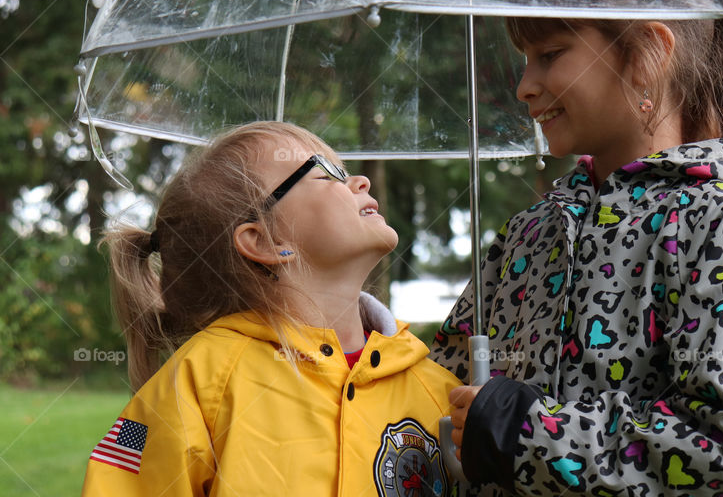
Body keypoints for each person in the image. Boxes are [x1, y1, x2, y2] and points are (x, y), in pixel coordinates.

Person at [432, 0, 723, 495]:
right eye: (525, 60)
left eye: (550, 54)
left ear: (647, 53)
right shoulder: (530, 234)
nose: (525, 86)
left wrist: (529, 434)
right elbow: (444, 387)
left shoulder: (719, 224)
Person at [82, 121, 460, 497]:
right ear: (264, 240)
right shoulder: (193, 380)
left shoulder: (445, 394)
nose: (361, 181)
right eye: (328, 173)